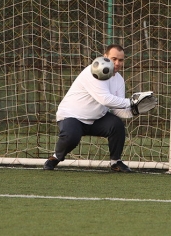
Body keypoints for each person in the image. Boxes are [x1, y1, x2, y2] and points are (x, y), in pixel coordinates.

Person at [44, 44, 138, 172]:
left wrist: (137, 108)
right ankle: (55, 158)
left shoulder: (119, 80)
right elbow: (105, 99)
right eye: (114, 58)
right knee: (71, 137)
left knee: (116, 125)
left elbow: (118, 110)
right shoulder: (93, 71)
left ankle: (116, 162)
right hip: (73, 116)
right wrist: (132, 102)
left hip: (97, 119)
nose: (117, 63)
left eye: (120, 60)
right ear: (105, 57)